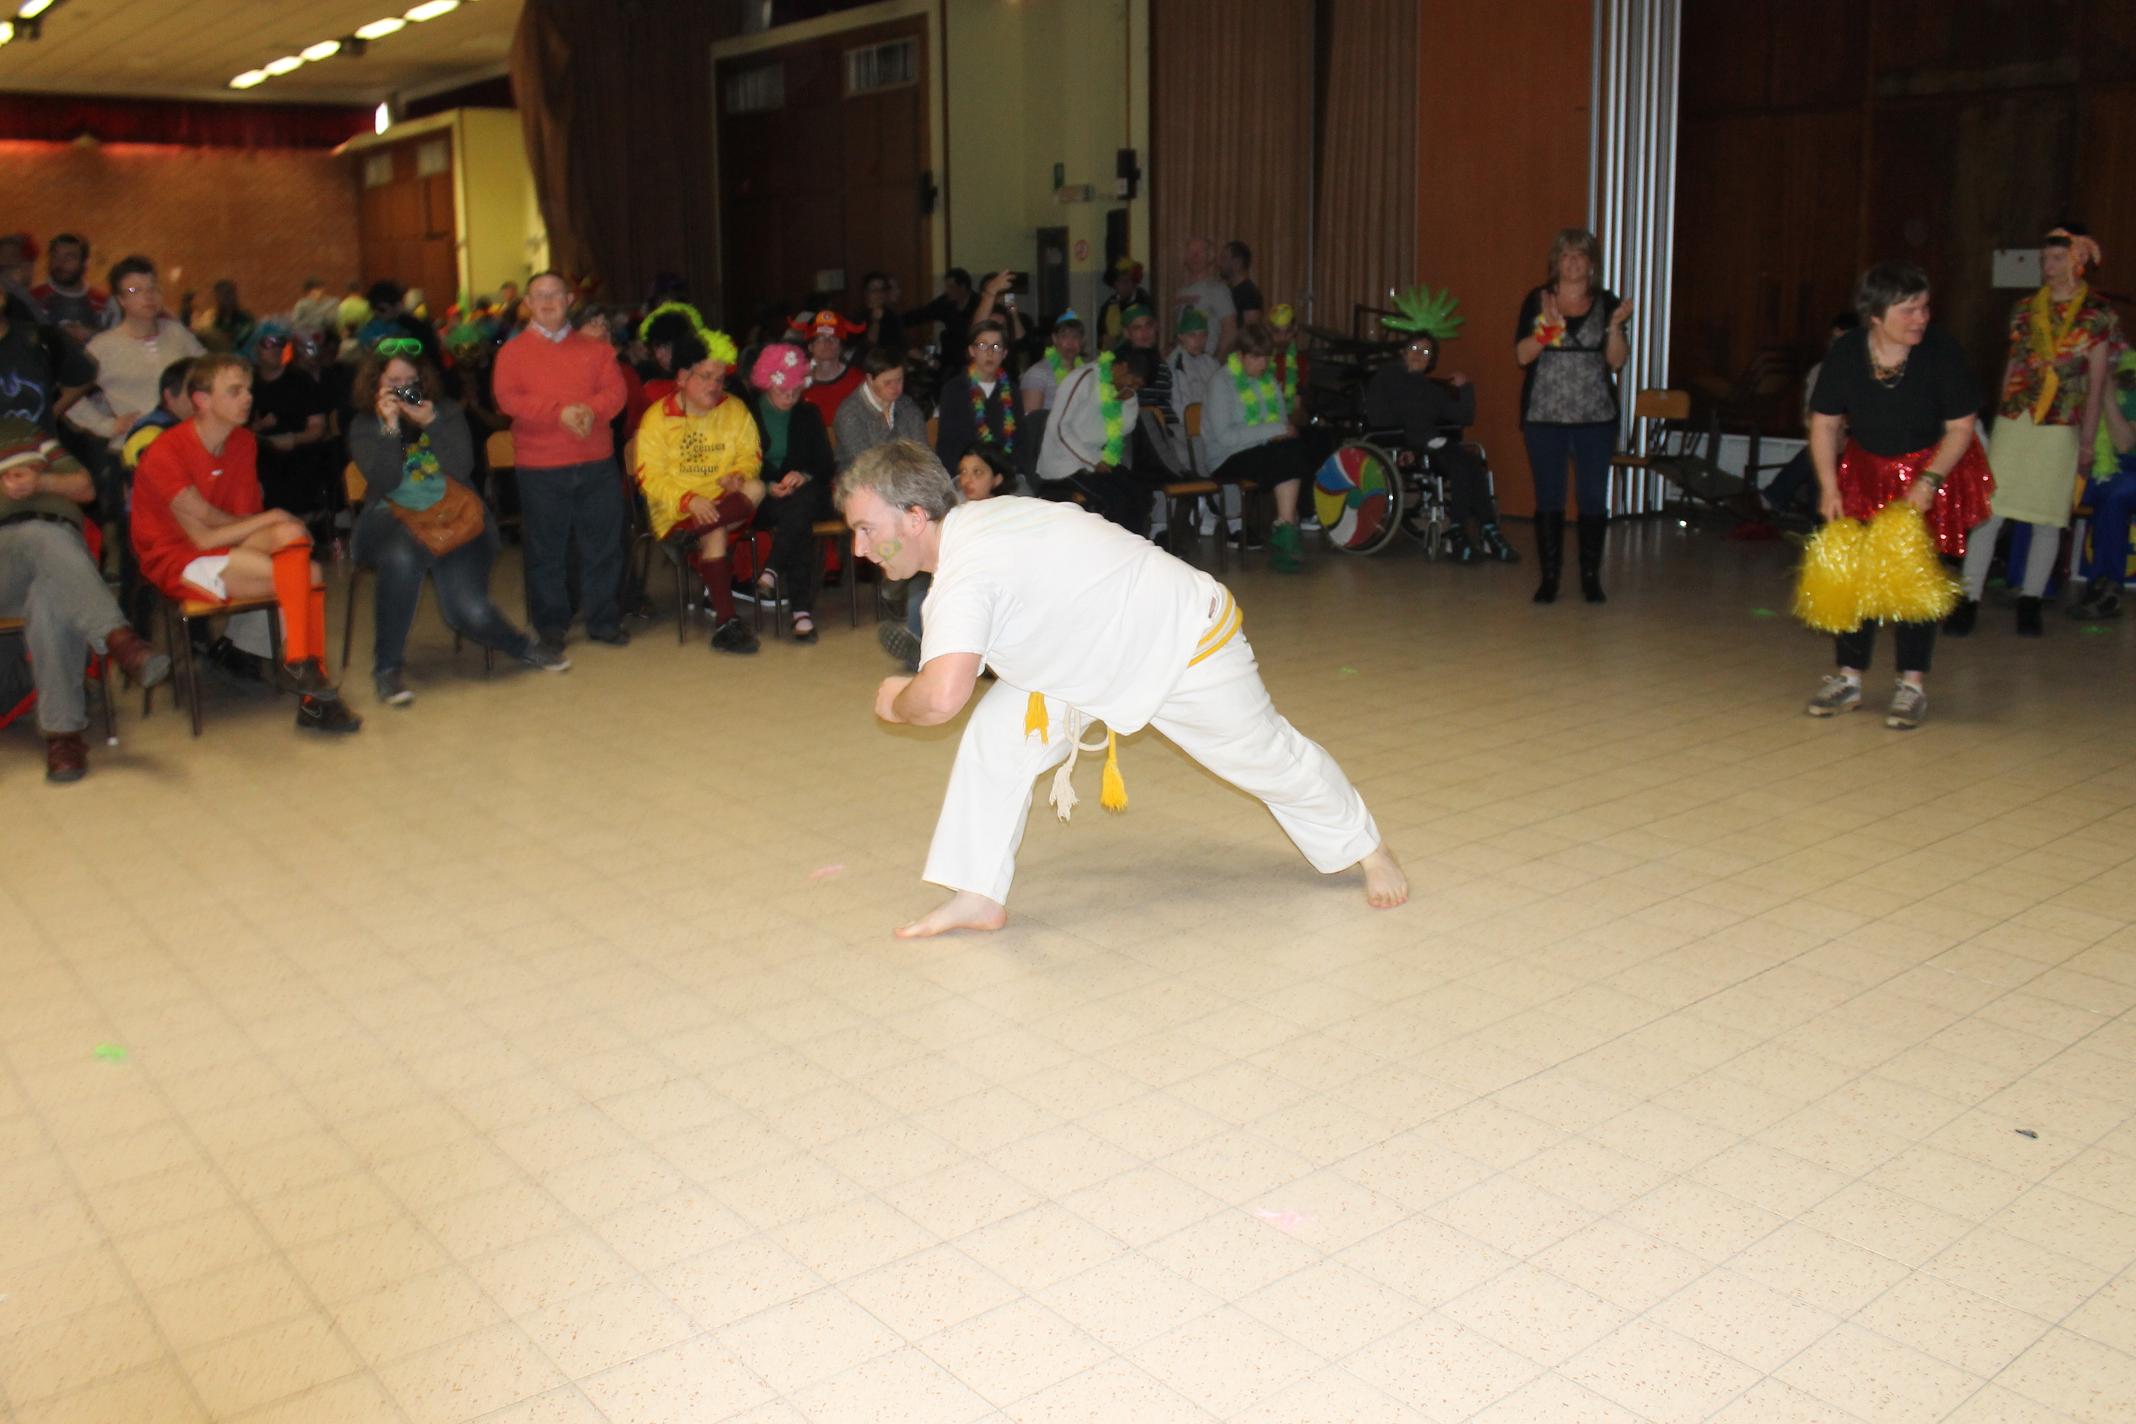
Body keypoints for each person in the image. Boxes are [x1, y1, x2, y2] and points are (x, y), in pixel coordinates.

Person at [838, 439, 1407, 938]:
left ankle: (1368, 848)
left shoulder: (965, 572)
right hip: (1084, 660)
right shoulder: (980, 523)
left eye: (867, 530)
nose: (861, 550)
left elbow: (941, 698)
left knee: (1264, 757)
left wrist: (896, 703)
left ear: (916, 517)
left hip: (1182, 642)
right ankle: (978, 894)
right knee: (998, 736)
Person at [1803, 261, 1992, 731]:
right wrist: (1829, 486)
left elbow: (1961, 428)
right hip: (1865, 471)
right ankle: (1848, 678)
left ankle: (1912, 685)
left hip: (1930, 468)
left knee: (1914, 580)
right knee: (1852, 574)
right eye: (1909, 310)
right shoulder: (1848, 351)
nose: (1920, 318)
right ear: (1876, 315)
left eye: (1924, 308)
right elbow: (1824, 423)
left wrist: (1928, 482)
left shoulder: (1941, 350)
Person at [131, 355, 361, 732]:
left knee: (291, 538)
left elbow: (239, 519)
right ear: (202, 400)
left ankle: (301, 666)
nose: (248, 398)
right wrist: (274, 517)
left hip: (220, 542)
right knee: (308, 573)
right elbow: (203, 535)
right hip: (176, 557)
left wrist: (279, 526)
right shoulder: (165, 452)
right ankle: (311, 690)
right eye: (234, 391)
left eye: (248, 390)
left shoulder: (242, 441)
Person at [347, 343, 566, 705]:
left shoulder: (445, 411)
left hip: (453, 515)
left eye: (410, 380)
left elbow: (462, 467)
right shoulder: (365, 423)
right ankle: (386, 669)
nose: (403, 388)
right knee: (401, 554)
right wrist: (390, 429)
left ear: (423, 380)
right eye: (393, 381)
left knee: (468, 610)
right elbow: (385, 481)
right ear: (376, 383)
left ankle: (522, 646)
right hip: (388, 517)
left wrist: (431, 424)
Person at [1952, 224, 2122, 637]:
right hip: (2017, 419)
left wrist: (2087, 442)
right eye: (2045, 258)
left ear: (2079, 261)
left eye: (2058, 258)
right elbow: (2013, 363)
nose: (2048, 266)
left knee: (2048, 517)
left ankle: (2031, 600)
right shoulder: (2026, 308)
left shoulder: (2097, 314)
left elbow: (2096, 381)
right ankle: (1967, 598)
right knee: (1990, 512)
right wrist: (2001, 416)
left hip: (2061, 422)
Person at [0, 418, 170, 780]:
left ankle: (63, 737)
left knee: (50, 598)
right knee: (40, 535)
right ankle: (119, 638)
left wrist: (40, 482)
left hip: (57, 550)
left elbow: (85, 487)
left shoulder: (27, 434)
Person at [492, 271, 632, 655]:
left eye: (556, 294)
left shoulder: (597, 350)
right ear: (527, 304)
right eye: (539, 296)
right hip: (540, 465)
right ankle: (551, 625)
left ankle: (604, 620)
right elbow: (508, 399)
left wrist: (590, 410)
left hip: (595, 462)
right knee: (545, 551)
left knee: (604, 546)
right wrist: (560, 413)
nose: (548, 302)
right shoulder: (512, 353)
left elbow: (616, 393)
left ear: (570, 300)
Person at [1515, 227, 1633, 604]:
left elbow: (1616, 361)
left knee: (1592, 497)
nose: (1572, 262)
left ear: (1591, 263)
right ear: (1556, 262)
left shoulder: (1607, 301)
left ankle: (1590, 577)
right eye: (1566, 255)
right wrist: (1547, 331)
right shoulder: (1538, 299)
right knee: (1549, 496)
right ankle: (1549, 578)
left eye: (1580, 255)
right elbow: (1522, 356)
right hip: (1545, 416)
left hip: (1594, 418)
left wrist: (1615, 327)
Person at [631, 319, 763, 654]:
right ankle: (727, 622)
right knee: (714, 531)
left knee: (756, 487)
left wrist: (738, 475)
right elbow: (651, 477)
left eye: (719, 379)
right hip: (676, 511)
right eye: (705, 377)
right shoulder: (658, 418)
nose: (714, 385)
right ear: (682, 377)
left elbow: (750, 455)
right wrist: (688, 500)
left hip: (724, 504)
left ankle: (724, 617)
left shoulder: (734, 409)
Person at [1364, 332, 1516, 563]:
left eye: (1425, 352)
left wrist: (1466, 388)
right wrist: (1408, 443)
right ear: (1404, 352)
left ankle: (1487, 529)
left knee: (1472, 463)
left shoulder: (1430, 389)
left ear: (1430, 361)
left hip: (1432, 444)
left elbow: (1463, 417)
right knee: (1461, 465)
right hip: (1404, 443)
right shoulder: (1387, 377)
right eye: (1414, 349)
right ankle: (1460, 533)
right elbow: (1378, 417)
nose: (1418, 355)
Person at [1202, 323, 1330, 573]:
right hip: (1227, 456)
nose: (1263, 364)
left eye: (1266, 357)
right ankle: (1289, 526)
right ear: (1240, 356)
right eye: (1256, 357)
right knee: (1289, 454)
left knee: (1312, 441)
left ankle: (1287, 523)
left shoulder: (1268, 380)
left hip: (1262, 449)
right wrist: (1274, 432)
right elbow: (1225, 437)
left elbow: (1280, 421)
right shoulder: (1221, 382)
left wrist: (1279, 432)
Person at [69, 257, 205, 457]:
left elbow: (212, 376)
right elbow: (68, 397)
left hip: (189, 444)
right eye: (135, 290)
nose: (148, 296)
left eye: (153, 288)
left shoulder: (178, 333)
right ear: (121, 300)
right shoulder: (102, 347)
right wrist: (105, 425)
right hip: (137, 450)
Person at [747, 341, 836, 642]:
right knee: (797, 522)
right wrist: (767, 486)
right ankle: (800, 611)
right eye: (783, 391)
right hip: (765, 498)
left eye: (796, 392)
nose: (790, 398)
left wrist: (804, 474)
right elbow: (740, 464)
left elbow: (825, 465)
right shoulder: (748, 414)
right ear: (767, 384)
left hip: (808, 495)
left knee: (800, 507)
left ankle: (772, 570)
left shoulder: (808, 413)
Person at [1758, 312, 1860, 520]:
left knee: (1820, 451)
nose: (1838, 347)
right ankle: (1814, 518)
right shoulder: (1821, 370)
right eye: (1835, 340)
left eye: (1844, 340)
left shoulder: (1864, 373)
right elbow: (1812, 415)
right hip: (1830, 434)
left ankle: (1777, 495)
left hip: (1858, 438)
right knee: (1820, 450)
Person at [1036, 347, 1150, 532]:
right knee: (1115, 501)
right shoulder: (1083, 378)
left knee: (1140, 493)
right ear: (1122, 367)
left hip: (1094, 461)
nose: (1134, 388)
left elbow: (1124, 428)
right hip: (1063, 464)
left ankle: (1134, 545)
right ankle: (1112, 547)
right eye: (1134, 382)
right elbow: (1058, 427)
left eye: (1139, 386)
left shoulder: (1125, 388)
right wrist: (1092, 460)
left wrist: (1128, 401)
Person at [247, 322, 333, 526]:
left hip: (299, 454)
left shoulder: (300, 380)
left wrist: (292, 439)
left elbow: (317, 426)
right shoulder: (249, 384)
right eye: (269, 343)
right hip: (260, 454)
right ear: (256, 348)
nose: (276, 348)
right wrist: (258, 429)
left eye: (280, 342)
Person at [2070, 350, 2136, 619]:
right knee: (2047, 486)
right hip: (2087, 465)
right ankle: (2029, 585)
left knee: (2116, 494)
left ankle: (2106, 585)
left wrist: (2104, 393)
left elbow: (2125, 443)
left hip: (2127, 467)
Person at [0, 281, 95, 432]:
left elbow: (82, 376)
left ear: (2, 296)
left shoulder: (40, 338)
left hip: (38, 444)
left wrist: (48, 416)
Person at [934, 318, 1019, 466]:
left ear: (1004, 353)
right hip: (965, 472)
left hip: (1004, 471)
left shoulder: (1012, 391)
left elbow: (1020, 441)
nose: (990, 353)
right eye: (982, 345)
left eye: (996, 346)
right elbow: (947, 445)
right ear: (972, 351)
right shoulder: (954, 390)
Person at [834, 346, 927, 469]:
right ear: (869, 379)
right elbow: (866, 465)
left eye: (899, 380)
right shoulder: (849, 413)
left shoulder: (908, 407)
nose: (896, 387)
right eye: (887, 382)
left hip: (907, 476)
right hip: (861, 478)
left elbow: (923, 454)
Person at [791, 309, 866, 428]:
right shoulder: (797, 382)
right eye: (820, 338)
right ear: (810, 346)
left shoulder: (859, 380)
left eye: (833, 338)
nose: (827, 343)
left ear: (841, 347)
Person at [30, 233, 109, 344]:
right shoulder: (32, 300)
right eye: (55, 256)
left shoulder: (103, 304)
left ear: (85, 263)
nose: (60, 263)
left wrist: (94, 335)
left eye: (70, 257)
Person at [1175, 237, 1239, 358]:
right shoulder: (1180, 292)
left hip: (1207, 360)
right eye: (1191, 252)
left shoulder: (1218, 289)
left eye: (1200, 252)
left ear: (1210, 257)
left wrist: (1216, 361)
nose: (1195, 256)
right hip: (1184, 362)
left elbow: (1230, 330)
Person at [1021, 311, 1088, 413]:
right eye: (1064, 336)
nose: (1070, 342)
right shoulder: (1037, 374)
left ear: (1082, 341)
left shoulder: (1086, 374)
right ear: (1055, 339)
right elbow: (1032, 420)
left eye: (1075, 337)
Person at [905, 268, 979, 360]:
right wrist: (895, 322)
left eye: (951, 287)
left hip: (971, 354)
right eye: (947, 287)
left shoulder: (978, 304)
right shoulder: (945, 303)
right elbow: (922, 314)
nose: (947, 291)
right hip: (950, 355)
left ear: (963, 287)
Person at [1167, 308, 1219, 417]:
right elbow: (1181, 409)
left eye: (1203, 335)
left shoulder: (1211, 363)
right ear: (1180, 336)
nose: (1199, 340)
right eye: (1192, 335)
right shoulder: (1176, 364)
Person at [1097, 257, 1151, 350]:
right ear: (1115, 284)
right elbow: (1100, 335)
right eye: (1120, 281)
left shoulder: (1143, 302)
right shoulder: (1108, 305)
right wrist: (1104, 340)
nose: (1124, 286)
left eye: (1127, 281)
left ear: (1134, 283)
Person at [858, 271, 905, 356]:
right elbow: (867, 348)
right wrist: (876, 322)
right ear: (866, 293)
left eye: (882, 289)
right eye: (874, 290)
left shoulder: (891, 315)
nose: (879, 294)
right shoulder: (858, 317)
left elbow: (902, 345)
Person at [1220, 240, 1265, 329]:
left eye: (1224, 258)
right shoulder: (1225, 290)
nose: (1220, 263)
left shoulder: (1250, 293)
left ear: (1237, 262)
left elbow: (1251, 330)